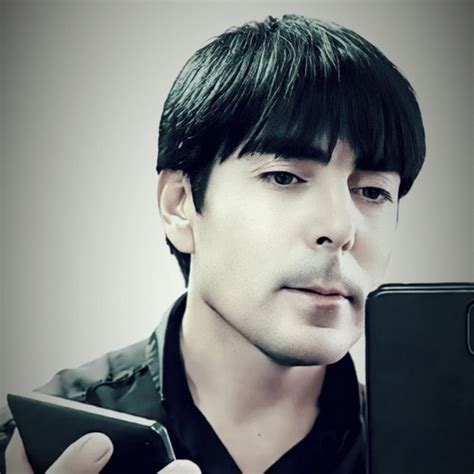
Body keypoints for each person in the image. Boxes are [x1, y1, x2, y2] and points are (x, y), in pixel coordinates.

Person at [1, 13, 425, 474]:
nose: (342, 228)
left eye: (372, 192)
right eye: (284, 177)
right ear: (180, 205)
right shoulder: (30, 447)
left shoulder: (434, 452)